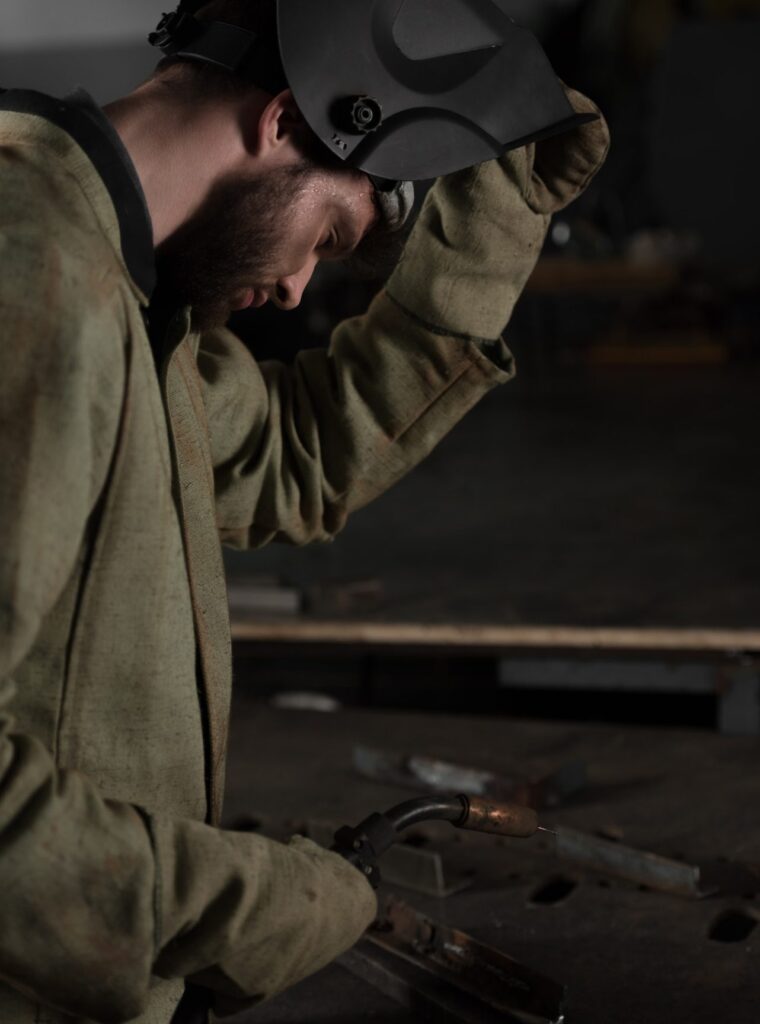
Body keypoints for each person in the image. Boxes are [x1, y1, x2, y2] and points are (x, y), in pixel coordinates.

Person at [0, 1, 610, 1022]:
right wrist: (243, 908)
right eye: (328, 233)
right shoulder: (30, 280)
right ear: (282, 121)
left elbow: (293, 453)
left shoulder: (127, 293)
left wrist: (492, 221)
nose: (293, 288)